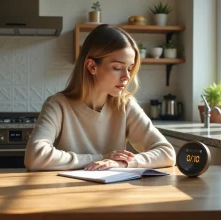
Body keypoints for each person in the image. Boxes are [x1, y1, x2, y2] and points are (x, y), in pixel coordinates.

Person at [24, 24, 176, 171]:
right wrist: (99, 158)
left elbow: (167, 153)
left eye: (129, 68)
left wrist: (124, 163)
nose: (126, 77)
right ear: (92, 66)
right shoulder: (58, 105)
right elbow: (35, 156)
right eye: (117, 68)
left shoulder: (125, 105)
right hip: (66, 193)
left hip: (111, 194)